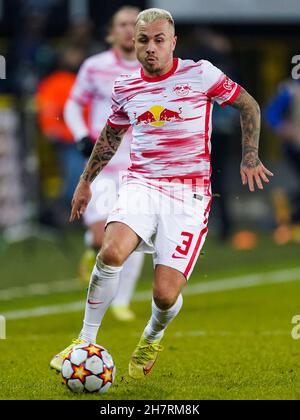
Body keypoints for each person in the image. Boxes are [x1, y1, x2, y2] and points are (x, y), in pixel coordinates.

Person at [50, 8, 273, 379]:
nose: (150, 48)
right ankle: (84, 340)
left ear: (172, 43)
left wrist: (250, 155)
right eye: (143, 40)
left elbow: (247, 103)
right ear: (133, 44)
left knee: (165, 295)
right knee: (111, 250)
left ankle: (152, 335)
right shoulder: (125, 87)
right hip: (141, 184)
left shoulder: (200, 73)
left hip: (189, 196)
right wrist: (86, 181)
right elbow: (111, 135)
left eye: (158, 40)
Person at [64, 6, 144, 321]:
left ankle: (121, 302)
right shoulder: (95, 67)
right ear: (112, 32)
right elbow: (73, 104)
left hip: (138, 168)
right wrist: (82, 135)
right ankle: (89, 243)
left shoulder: (154, 70)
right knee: (102, 238)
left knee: (134, 235)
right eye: (122, 24)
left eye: (134, 25)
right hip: (100, 168)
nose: (128, 30)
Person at [36, 46, 86, 224]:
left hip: (89, 139)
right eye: (71, 54)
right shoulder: (55, 82)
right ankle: (62, 215)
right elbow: (49, 112)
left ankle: (76, 215)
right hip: (68, 141)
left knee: (84, 178)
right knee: (74, 178)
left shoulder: (84, 79)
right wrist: (53, 130)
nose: (75, 59)